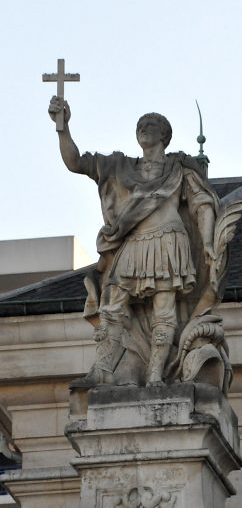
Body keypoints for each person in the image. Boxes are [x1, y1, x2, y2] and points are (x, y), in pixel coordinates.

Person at [49, 96, 219, 386]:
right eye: (140, 125)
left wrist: (207, 242)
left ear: (163, 135)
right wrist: (62, 128)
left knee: (164, 310)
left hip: (168, 240)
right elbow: (75, 162)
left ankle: (155, 374)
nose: (143, 128)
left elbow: (202, 204)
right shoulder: (120, 166)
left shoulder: (179, 167)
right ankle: (103, 367)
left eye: (150, 125)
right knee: (113, 303)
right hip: (134, 242)